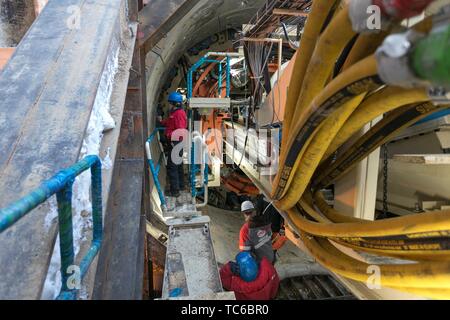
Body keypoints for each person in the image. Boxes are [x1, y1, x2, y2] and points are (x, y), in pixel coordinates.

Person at [158, 92, 187, 197]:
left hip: (176, 142)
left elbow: (180, 130)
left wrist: (169, 135)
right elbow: (170, 123)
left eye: (170, 103)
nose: (169, 105)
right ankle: (181, 186)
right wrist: (162, 122)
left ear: (174, 103)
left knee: (172, 167)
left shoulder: (179, 114)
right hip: (175, 142)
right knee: (178, 165)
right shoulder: (175, 113)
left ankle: (175, 191)